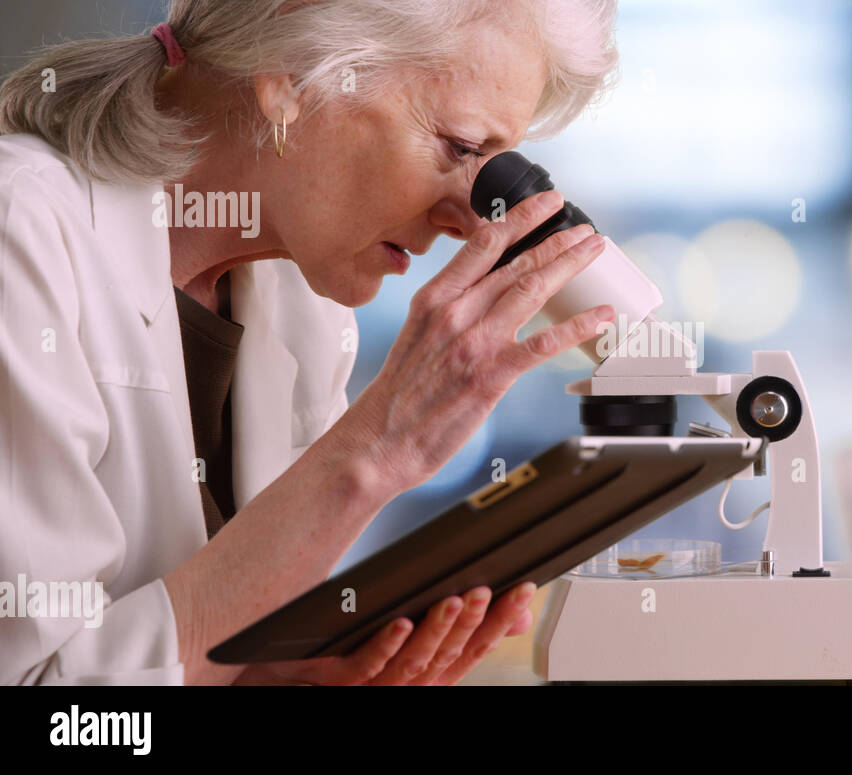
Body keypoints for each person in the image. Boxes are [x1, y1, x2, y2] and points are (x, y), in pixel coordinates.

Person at [0, 0, 619, 685]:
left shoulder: (301, 305)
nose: (468, 221)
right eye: (461, 149)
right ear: (290, 77)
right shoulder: (19, 233)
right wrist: (377, 446)